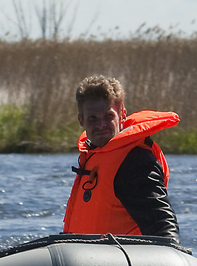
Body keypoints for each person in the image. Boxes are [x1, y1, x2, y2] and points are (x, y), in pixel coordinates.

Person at [62, 75, 180, 243]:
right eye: (93, 118)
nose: (101, 125)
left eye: (108, 116)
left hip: (124, 263)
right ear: (81, 120)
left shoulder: (135, 162)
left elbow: (163, 225)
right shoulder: (92, 157)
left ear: (122, 114)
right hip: (87, 261)